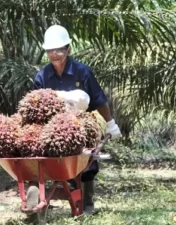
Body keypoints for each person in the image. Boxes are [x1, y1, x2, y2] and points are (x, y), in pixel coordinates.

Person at [32, 24, 122, 215]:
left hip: (83, 124)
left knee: (87, 164)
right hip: (53, 127)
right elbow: (36, 104)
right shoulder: (42, 76)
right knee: (41, 161)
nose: (54, 54)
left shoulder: (82, 72)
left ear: (68, 49)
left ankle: (86, 205)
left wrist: (111, 123)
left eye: (59, 50)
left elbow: (99, 100)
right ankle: (38, 198)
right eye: (50, 51)